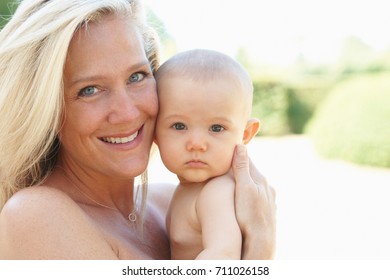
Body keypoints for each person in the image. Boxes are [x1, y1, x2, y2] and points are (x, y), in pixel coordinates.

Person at [0, 0, 276, 259]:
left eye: (137, 76)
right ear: (46, 109)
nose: (128, 112)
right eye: (89, 90)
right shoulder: (36, 217)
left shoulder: (172, 202)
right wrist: (260, 246)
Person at [154, 49, 260, 259]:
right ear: (155, 132)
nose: (196, 144)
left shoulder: (216, 193)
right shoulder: (190, 189)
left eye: (217, 128)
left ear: (245, 134)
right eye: (179, 125)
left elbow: (223, 256)